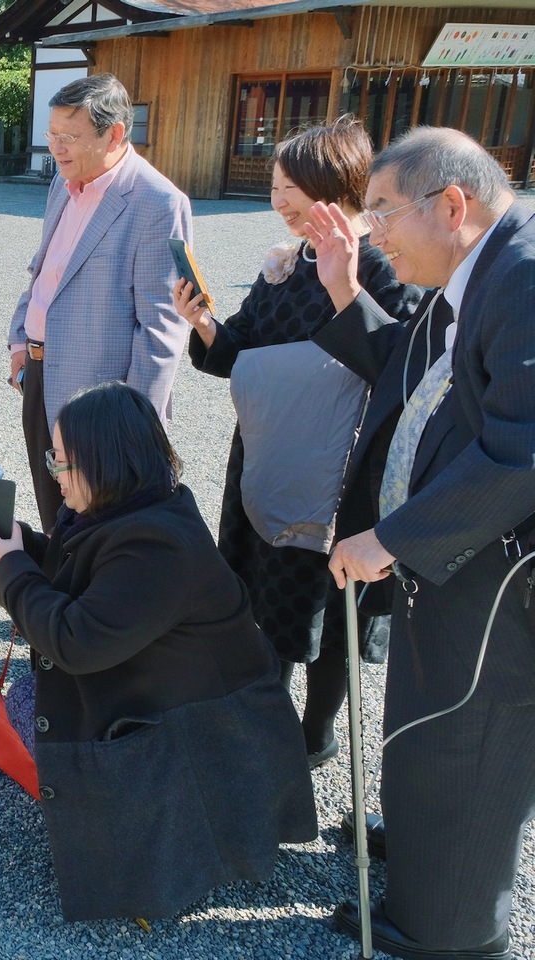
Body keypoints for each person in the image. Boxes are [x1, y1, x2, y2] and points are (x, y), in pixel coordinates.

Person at [0, 381, 316, 922]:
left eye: (60, 461)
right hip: (169, 691)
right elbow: (80, 575)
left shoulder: (157, 545)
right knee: (33, 709)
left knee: (37, 713)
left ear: (105, 461)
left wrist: (6, 567)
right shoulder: (131, 506)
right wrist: (18, 544)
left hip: (208, 731)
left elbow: (75, 641)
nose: (52, 472)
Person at [304, 128, 535, 960]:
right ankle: (416, 853)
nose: (370, 234)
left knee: (469, 740)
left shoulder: (525, 274)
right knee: (430, 721)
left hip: (500, 576)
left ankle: (453, 930)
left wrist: (394, 537)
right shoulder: (469, 268)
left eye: (379, 212)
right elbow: (408, 370)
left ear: (451, 205)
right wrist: (340, 289)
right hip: (452, 559)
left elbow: (525, 449)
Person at [173, 117, 423, 767]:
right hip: (268, 455)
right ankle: (266, 714)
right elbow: (237, 352)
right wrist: (202, 322)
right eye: (276, 185)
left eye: (289, 186)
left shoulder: (382, 265)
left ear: (331, 186)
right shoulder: (285, 265)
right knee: (267, 591)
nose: (277, 198)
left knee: (325, 607)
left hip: (339, 475)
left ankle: (315, 732)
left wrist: (347, 290)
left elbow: (396, 369)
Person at [8, 73, 192, 529]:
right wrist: (18, 344)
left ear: (114, 134)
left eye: (69, 137)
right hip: (38, 374)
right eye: (51, 135)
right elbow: (44, 271)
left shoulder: (157, 201)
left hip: (102, 401)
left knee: (104, 524)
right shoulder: (62, 184)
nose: (56, 148)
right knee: (55, 514)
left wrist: (132, 426)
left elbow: (162, 328)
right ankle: (59, 597)